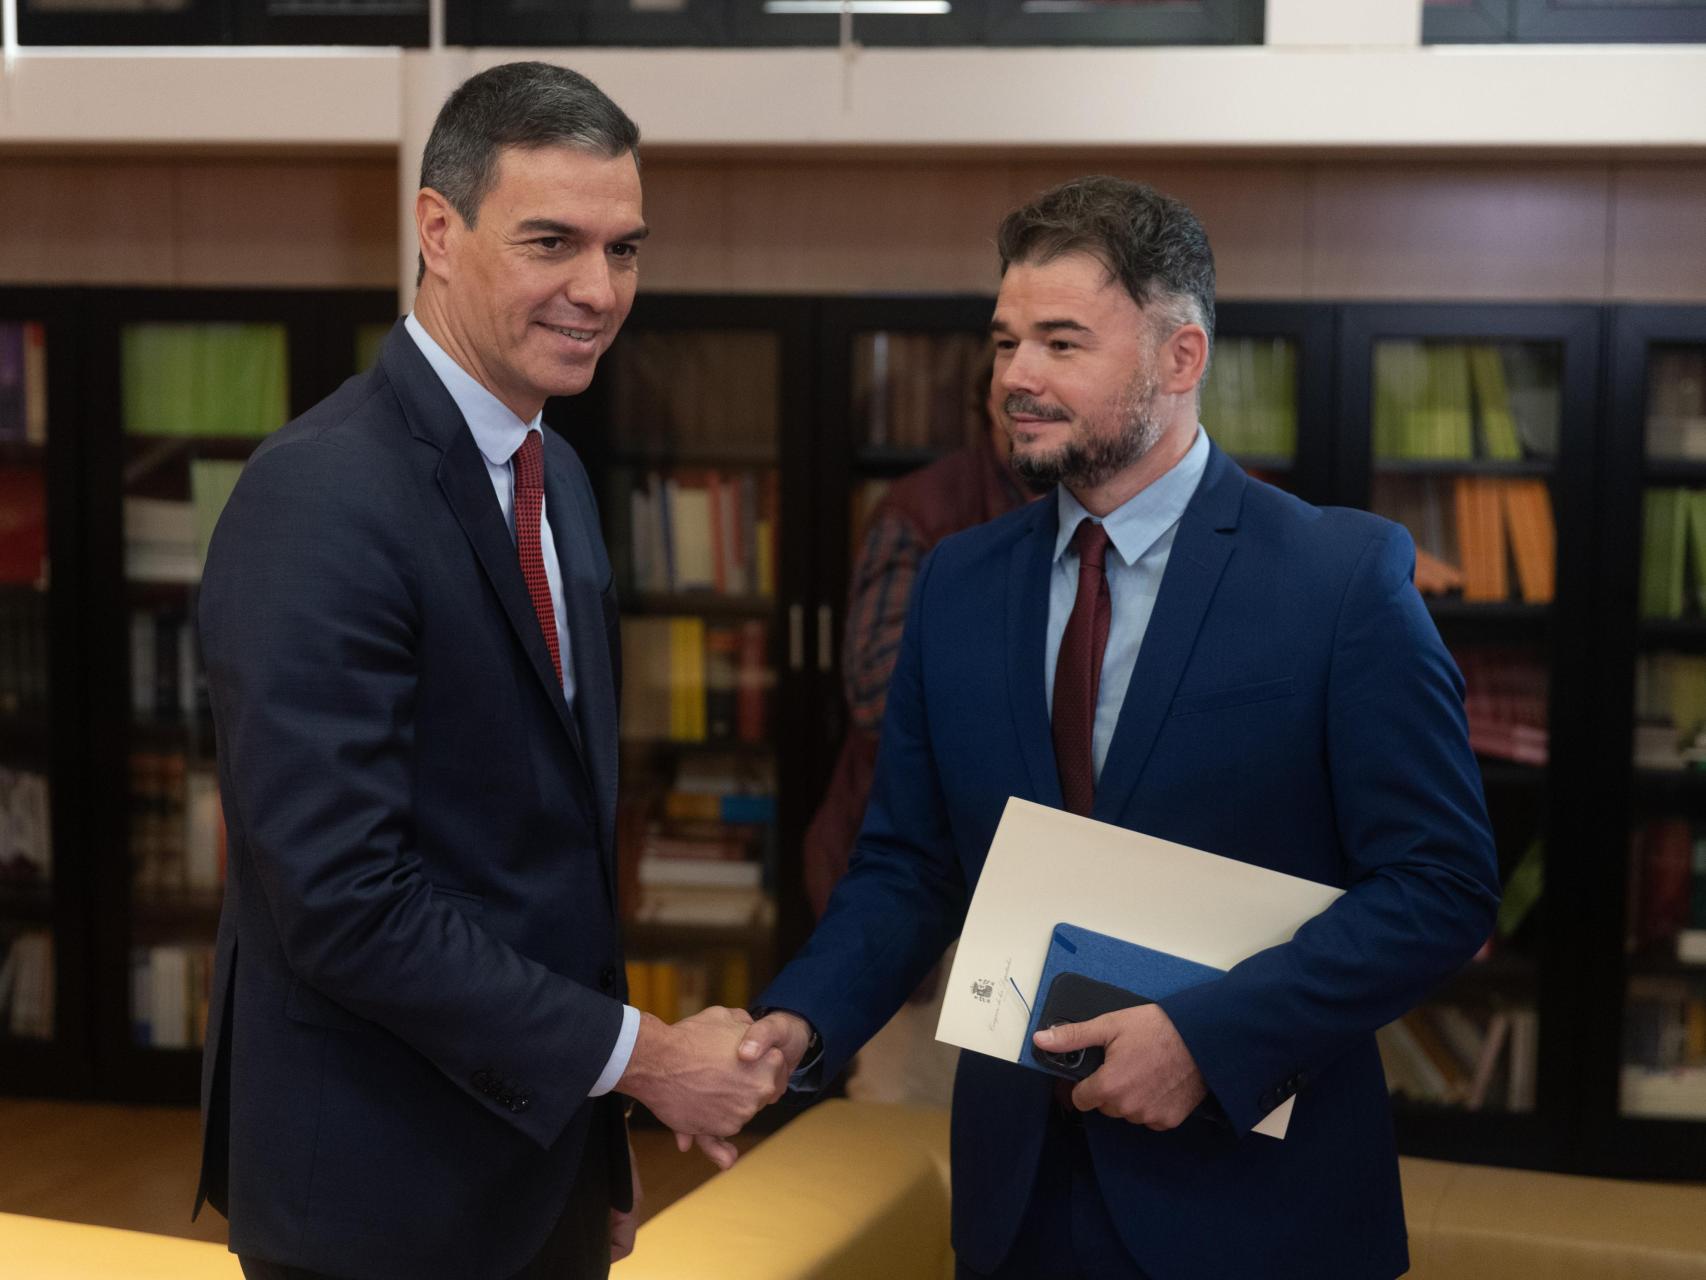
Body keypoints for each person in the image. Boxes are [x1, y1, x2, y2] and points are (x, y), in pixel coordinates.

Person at [736, 177, 1501, 1280]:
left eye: (1059, 342)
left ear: (1178, 358)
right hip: (1016, 1204)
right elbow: (905, 863)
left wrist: (1207, 1039)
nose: (1016, 378)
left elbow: (1439, 882)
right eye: (1004, 343)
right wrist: (799, 1021)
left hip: (1260, 1214)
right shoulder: (957, 583)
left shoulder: (1339, 578)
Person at [193, 62, 787, 1280]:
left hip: (536, 1162)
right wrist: (641, 1056)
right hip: (377, 1201)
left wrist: (593, 1139)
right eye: (551, 242)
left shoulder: (550, 471)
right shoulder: (319, 492)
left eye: (623, 249)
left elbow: (552, 856)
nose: (597, 288)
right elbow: (345, 898)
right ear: (437, 229)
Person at [803, 364, 1033, 1107]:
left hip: (1042, 892)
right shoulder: (923, 511)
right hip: (923, 886)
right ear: (987, 407)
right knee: (904, 1118)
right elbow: (874, 691)